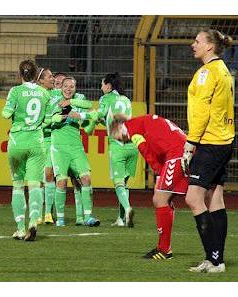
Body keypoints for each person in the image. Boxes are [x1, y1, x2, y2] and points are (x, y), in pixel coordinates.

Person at [182, 30, 235, 273]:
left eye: (198, 41)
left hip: (210, 141)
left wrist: (190, 143)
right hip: (223, 139)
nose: (193, 45)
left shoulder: (206, 73)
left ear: (210, 46)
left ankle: (214, 259)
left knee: (193, 198)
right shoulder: (224, 70)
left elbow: (202, 111)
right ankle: (215, 259)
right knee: (215, 198)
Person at [110, 114, 188, 259]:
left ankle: (165, 250)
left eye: (120, 138)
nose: (124, 141)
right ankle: (164, 247)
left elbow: (146, 151)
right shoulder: (144, 122)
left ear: (120, 126)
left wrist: (158, 171)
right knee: (195, 199)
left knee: (160, 200)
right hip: (182, 150)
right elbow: (158, 147)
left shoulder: (131, 128)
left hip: (176, 153)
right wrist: (160, 175)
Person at [2, 60, 50, 241]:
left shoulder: (15, 91)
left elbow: (5, 114)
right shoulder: (44, 93)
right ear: (36, 75)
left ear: (20, 74)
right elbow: (47, 119)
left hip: (17, 142)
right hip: (36, 143)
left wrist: (15, 112)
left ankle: (20, 228)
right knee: (35, 184)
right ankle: (34, 221)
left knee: (17, 185)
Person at [83, 73, 138, 227]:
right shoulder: (126, 100)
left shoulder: (105, 99)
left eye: (102, 84)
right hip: (131, 144)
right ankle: (121, 219)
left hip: (117, 145)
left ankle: (127, 210)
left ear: (108, 86)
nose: (101, 88)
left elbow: (99, 114)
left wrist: (85, 116)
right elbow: (113, 120)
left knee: (118, 183)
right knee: (124, 184)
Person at [47, 77, 100, 227]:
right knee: (62, 182)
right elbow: (46, 118)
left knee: (86, 179)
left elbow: (89, 106)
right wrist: (55, 118)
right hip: (59, 148)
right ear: (61, 87)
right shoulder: (53, 98)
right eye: (66, 86)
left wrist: (72, 105)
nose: (68, 89)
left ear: (75, 88)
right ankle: (61, 219)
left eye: (72, 86)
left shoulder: (79, 99)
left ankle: (88, 216)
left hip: (76, 147)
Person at [36, 67, 60, 224]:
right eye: (50, 76)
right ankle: (37, 213)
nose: (53, 79)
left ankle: (48, 213)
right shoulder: (37, 95)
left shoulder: (57, 93)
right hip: (40, 140)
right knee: (38, 179)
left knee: (50, 175)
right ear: (41, 81)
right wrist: (51, 120)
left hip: (55, 139)